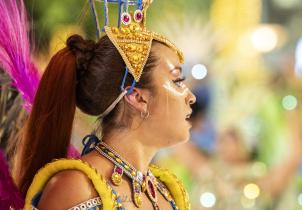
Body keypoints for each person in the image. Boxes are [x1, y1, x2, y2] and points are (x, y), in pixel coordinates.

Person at [10, 0, 196, 209]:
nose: (190, 97)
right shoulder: (77, 189)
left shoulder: (167, 192)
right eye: (177, 81)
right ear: (137, 97)